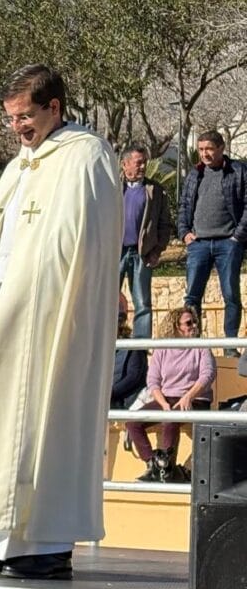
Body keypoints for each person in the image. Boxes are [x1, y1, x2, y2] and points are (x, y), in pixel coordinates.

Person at [0, 65, 122, 580]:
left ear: (54, 107)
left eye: (25, 116)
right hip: (3, 321)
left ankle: (47, 546)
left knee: (47, 427)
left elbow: (80, 247)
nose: (18, 127)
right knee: (0, 426)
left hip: (52, 323)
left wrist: (30, 301)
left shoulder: (86, 156)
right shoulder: (19, 166)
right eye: (11, 118)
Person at [178, 129, 247, 355]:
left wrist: (237, 236)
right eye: (200, 149)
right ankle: (193, 347)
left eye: (209, 149)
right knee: (192, 296)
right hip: (198, 244)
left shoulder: (238, 171)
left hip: (228, 244)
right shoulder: (194, 174)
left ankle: (230, 348)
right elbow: (184, 205)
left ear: (221, 148)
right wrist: (184, 233)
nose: (204, 154)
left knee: (231, 296)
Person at [126, 307, 214, 483]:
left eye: (195, 322)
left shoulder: (201, 347)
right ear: (175, 326)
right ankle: (153, 465)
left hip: (196, 399)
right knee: (132, 422)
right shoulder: (162, 348)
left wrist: (189, 396)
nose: (194, 326)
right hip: (167, 398)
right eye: (188, 323)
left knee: (170, 420)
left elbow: (208, 374)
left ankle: (167, 470)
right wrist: (163, 403)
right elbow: (153, 381)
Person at [117, 146, 173, 341]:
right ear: (125, 164)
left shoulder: (155, 191)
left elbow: (165, 224)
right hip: (116, 253)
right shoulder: (113, 188)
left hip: (141, 253)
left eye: (144, 163)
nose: (142, 167)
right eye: (138, 163)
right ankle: (110, 341)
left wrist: (157, 251)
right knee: (108, 299)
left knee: (142, 302)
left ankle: (141, 345)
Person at [111, 296, 147, 411]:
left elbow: (132, 377)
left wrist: (109, 393)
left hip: (126, 402)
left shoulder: (133, 347)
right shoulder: (101, 347)